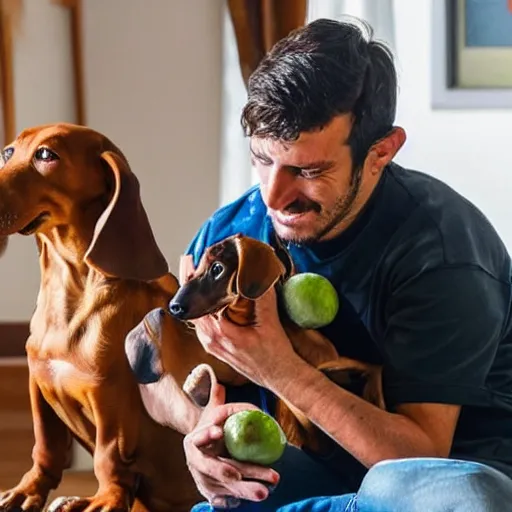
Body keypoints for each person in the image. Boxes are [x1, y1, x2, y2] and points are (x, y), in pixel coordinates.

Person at [174, 17, 512, 511]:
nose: (274, 195)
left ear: (381, 153)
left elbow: (418, 457)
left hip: (443, 481)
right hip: (319, 471)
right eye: (263, 160)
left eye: (308, 171)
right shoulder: (232, 237)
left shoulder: (443, 255)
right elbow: (157, 371)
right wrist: (195, 428)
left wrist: (278, 369)